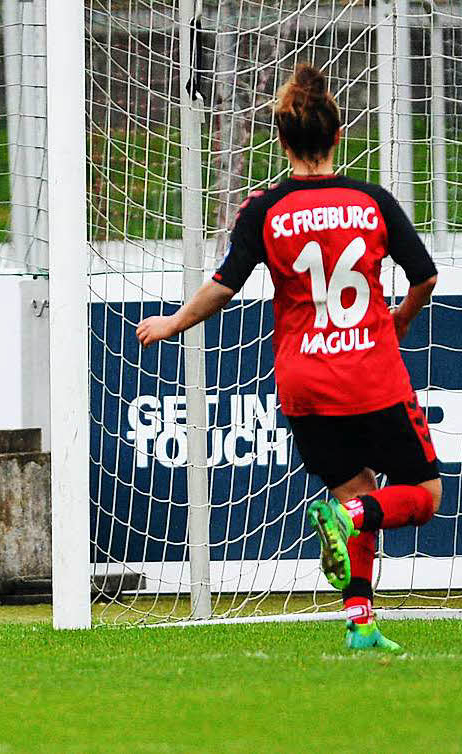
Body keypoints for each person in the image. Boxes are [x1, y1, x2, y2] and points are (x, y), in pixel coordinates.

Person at [136, 63, 440, 652]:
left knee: (355, 489)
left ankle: (360, 623)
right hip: (372, 376)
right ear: (338, 134)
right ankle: (348, 526)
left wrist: (173, 322)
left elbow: (224, 285)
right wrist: (400, 319)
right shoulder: (371, 200)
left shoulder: (264, 209)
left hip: (304, 385)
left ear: (281, 140)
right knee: (420, 497)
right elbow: (425, 276)